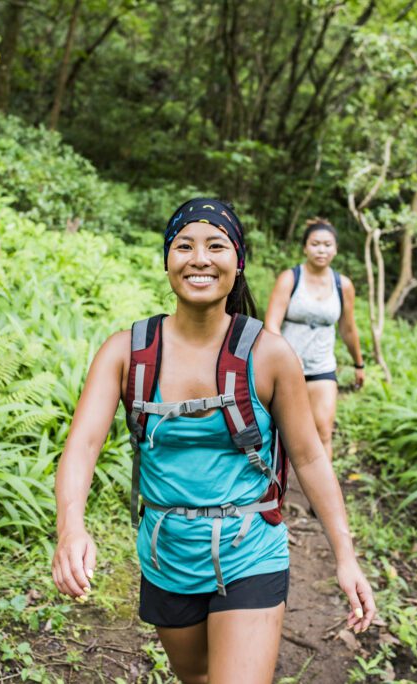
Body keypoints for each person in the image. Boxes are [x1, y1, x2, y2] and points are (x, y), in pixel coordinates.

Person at [52, 199, 375, 684]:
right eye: (184, 246)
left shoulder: (268, 355)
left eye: (216, 246)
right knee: (197, 677)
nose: (199, 258)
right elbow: (82, 445)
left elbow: (309, 458)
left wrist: (345, 556)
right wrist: (70, 528)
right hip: (167, 553)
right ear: (167, 260)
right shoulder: (127, 353)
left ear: (237, 261)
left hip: (251, 550)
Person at [264, 218, 364, 460]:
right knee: (279, 432)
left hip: (322, 366)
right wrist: (287, 355)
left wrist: (359, 364)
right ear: (305, 248)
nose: (321, 250)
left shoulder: (343, 285)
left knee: (322, 432)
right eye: (315, 244)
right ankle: (277, 491)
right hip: (286, 367)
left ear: (336, 249)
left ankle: (319, 498)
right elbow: (271, 323)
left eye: (327, 245)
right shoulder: (290, 278)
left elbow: (348, 329)